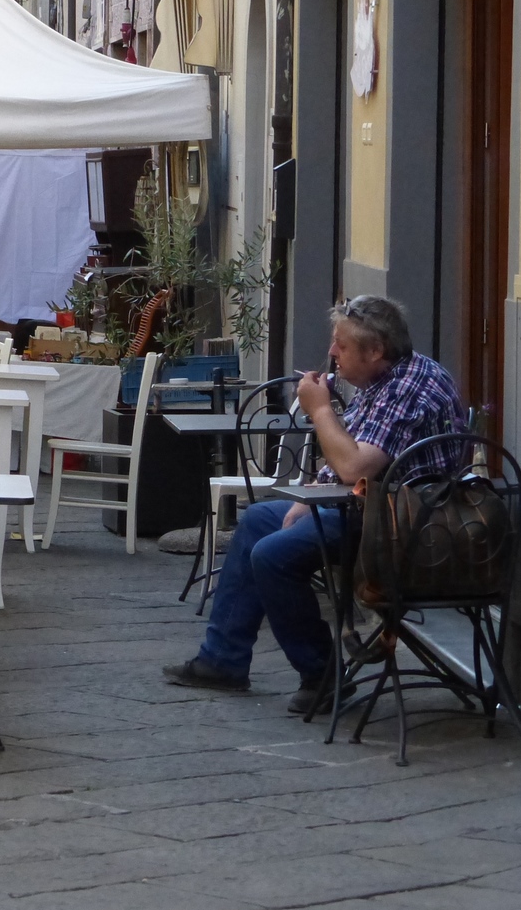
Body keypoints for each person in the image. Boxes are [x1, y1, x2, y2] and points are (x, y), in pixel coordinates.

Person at [163, 295, 467, 713]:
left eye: (341, 345)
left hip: (404, 529)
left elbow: (355, 466)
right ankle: (223, 659)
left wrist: (320, 409)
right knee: (258, 522)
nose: (331, 353)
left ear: (375, 350)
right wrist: (311, 495)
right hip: (368, 509)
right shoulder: (382, 380)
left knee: (273, 556)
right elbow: (347, 461)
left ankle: (321, 674)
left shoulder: (409, 387)